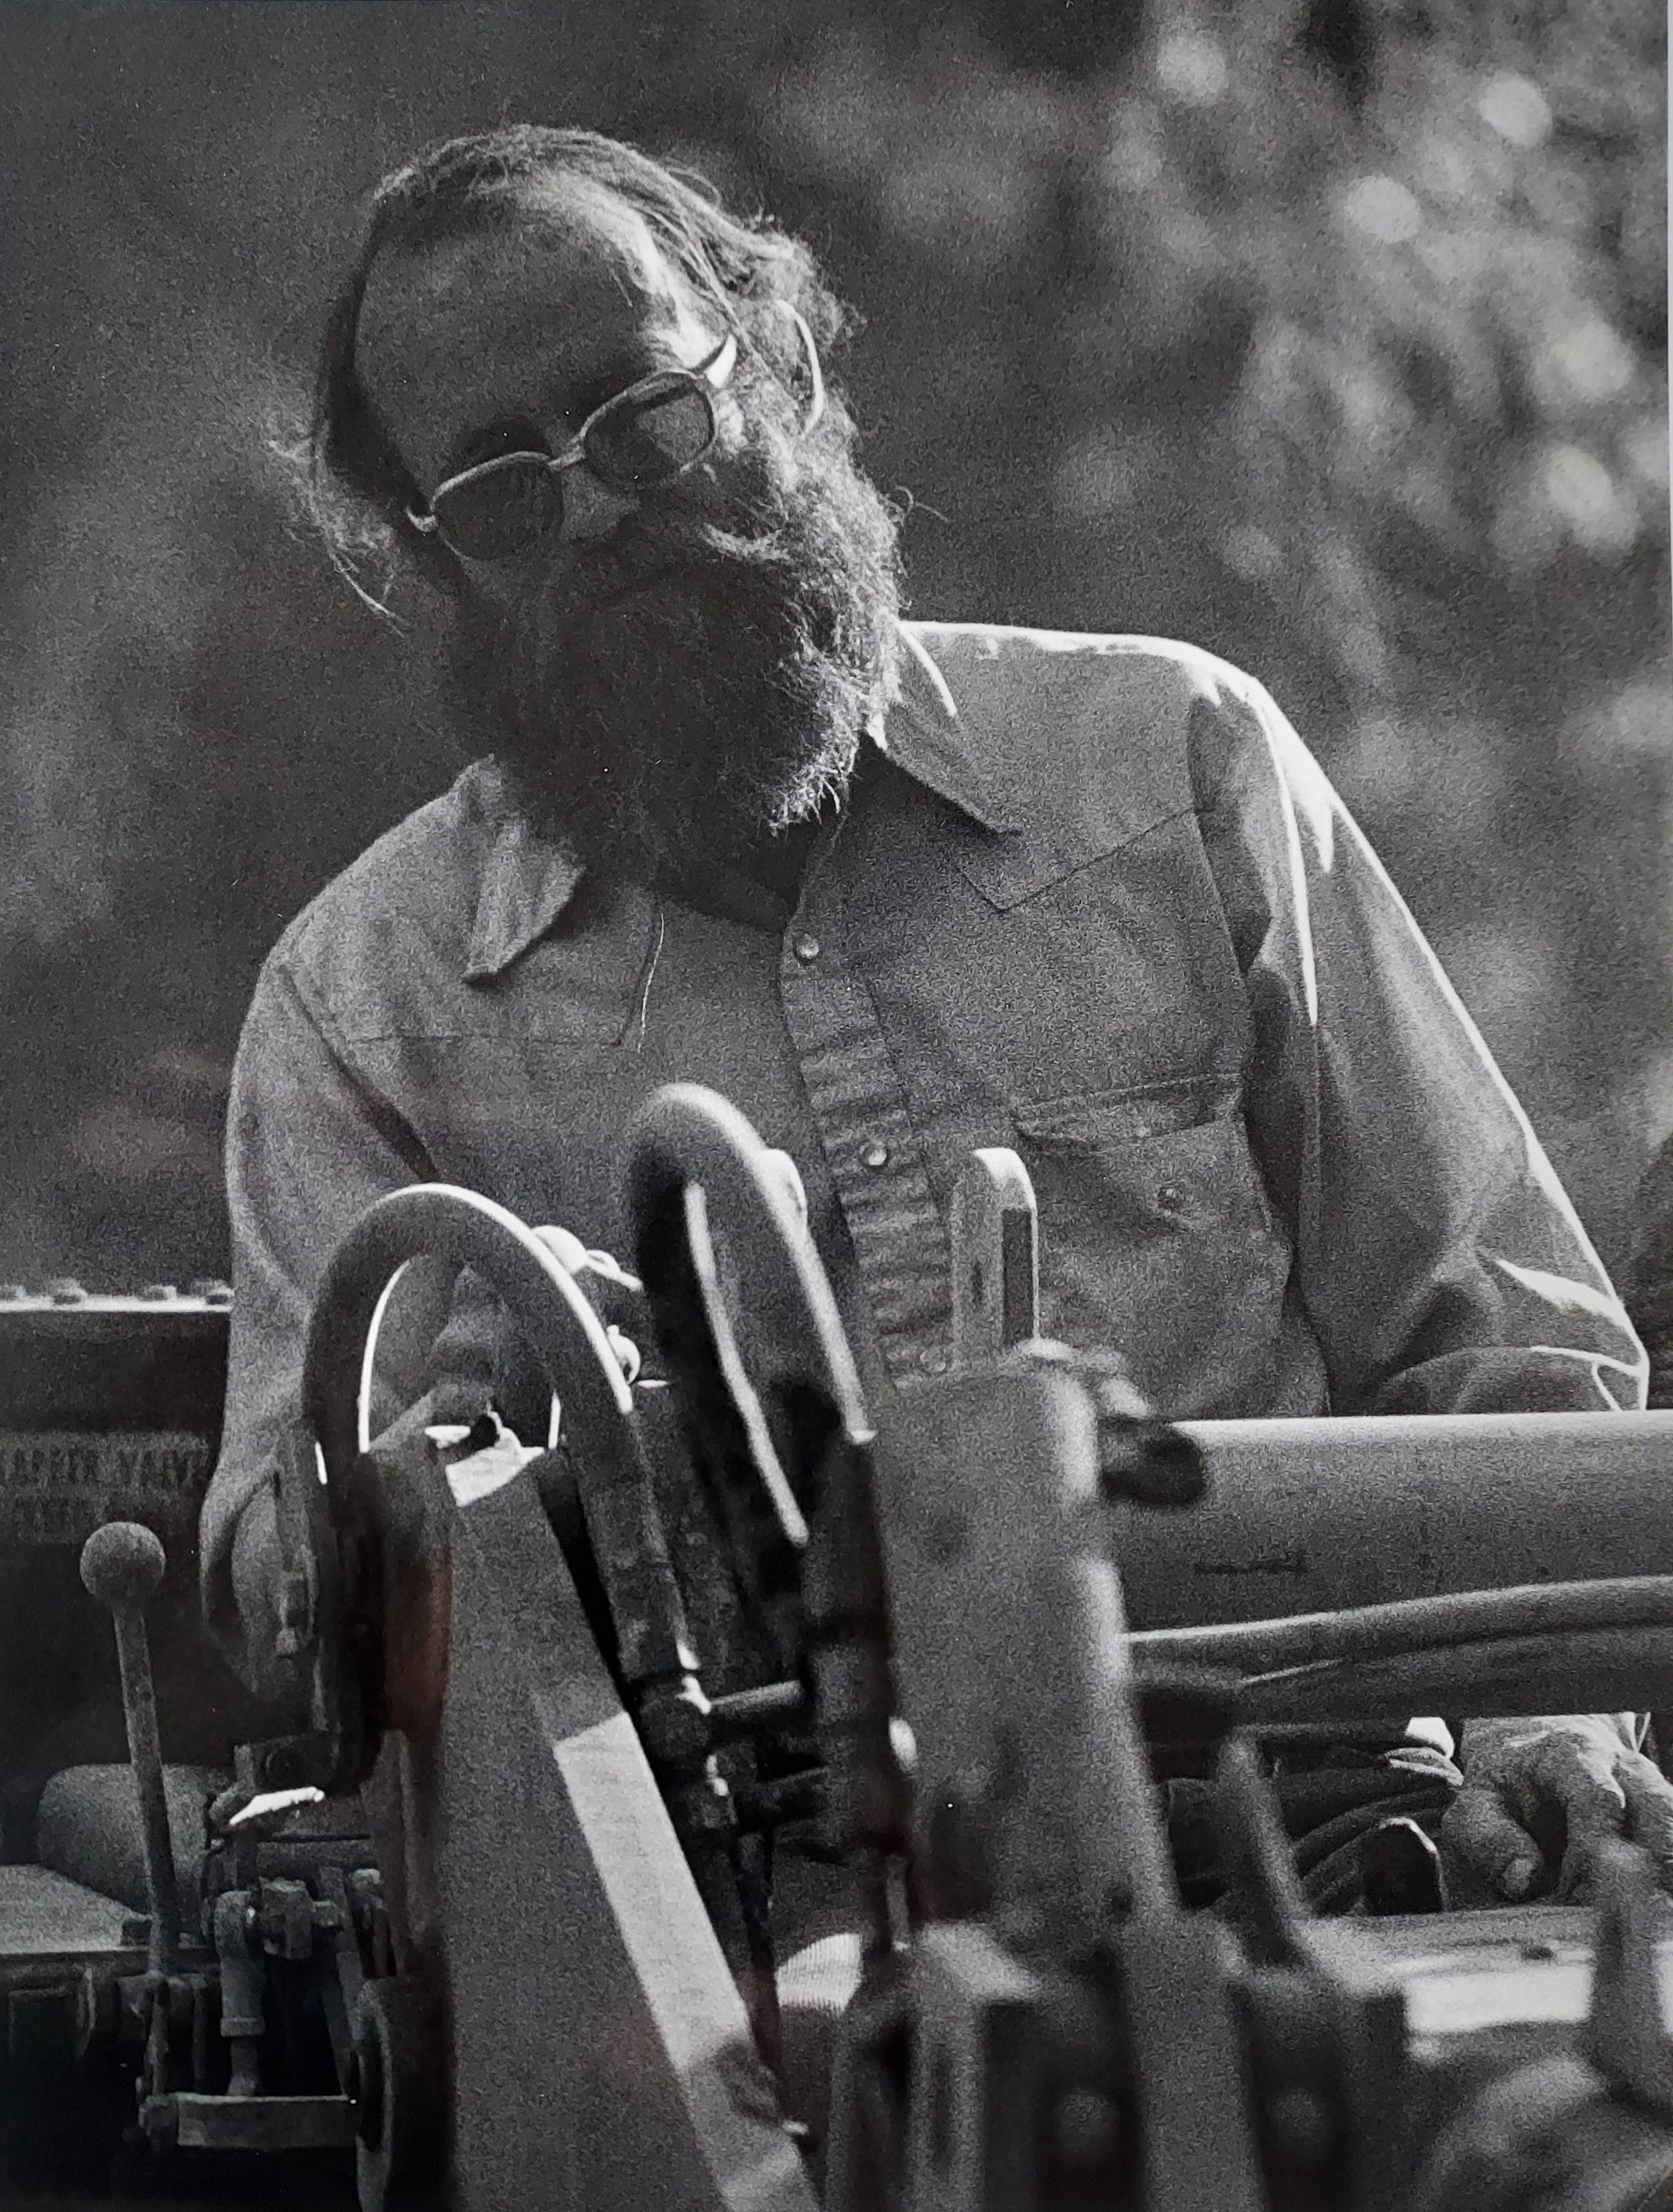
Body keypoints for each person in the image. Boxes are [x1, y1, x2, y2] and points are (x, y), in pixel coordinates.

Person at [200, 124, 1671, 1910]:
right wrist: (423, 1494)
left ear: (784, 366)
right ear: (440, 571)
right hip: (744, 1963)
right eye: (507, 490)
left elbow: (1500, 1350)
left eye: (641, 410)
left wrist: (1548, 1729)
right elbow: (298, 1599)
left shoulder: (1177, 765)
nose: (600, 507)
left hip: (1349, 1853)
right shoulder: (366, 1011)